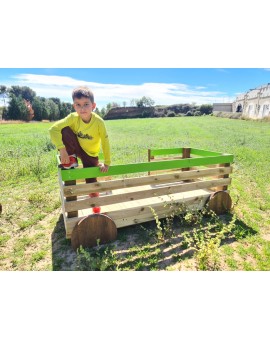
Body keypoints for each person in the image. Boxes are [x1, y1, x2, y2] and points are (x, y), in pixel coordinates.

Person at [49, 86, 111, 208]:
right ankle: (71, 159)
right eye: (78, 104)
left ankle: (95, 206)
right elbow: (53, 129)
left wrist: (107, 162)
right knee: (64, 129)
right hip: (76, 147)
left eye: (86, 104)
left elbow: (105, 141)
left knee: (91, 184)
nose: (82, 108)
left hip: (90, 155)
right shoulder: (73, 118)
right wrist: (62, 150)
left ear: (93, 106)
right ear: (74, 106)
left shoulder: (99, 122)